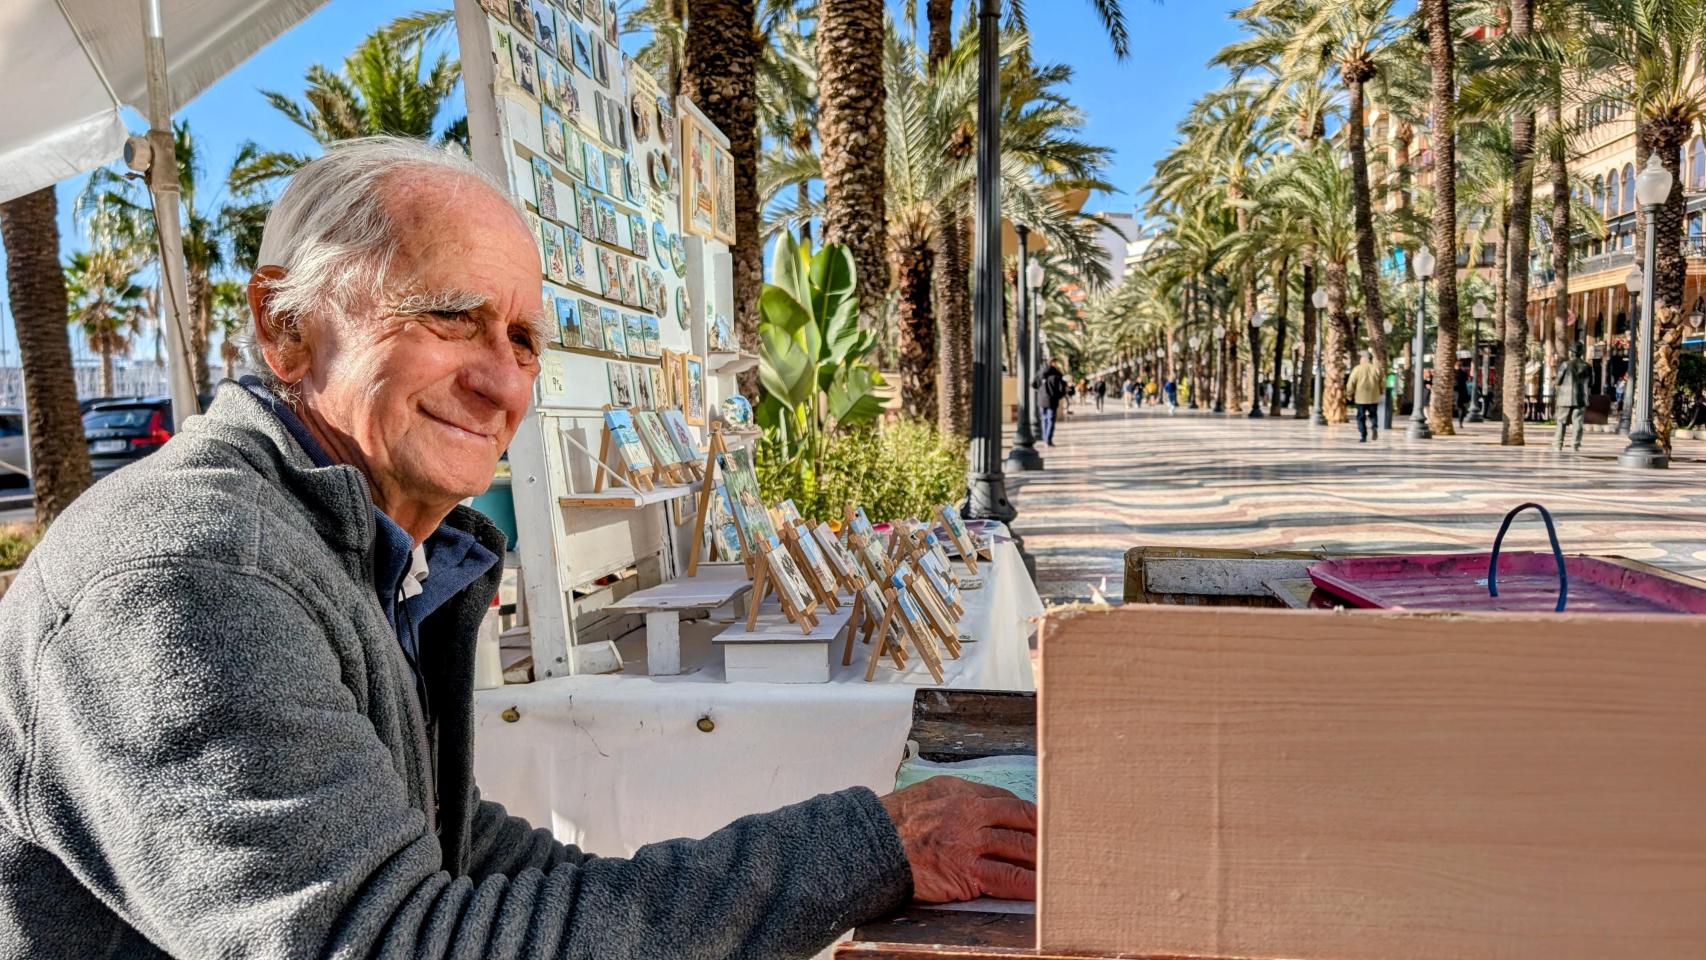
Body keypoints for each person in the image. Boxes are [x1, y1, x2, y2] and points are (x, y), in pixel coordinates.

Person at [0, 139, 1035, 959]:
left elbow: (465, 857)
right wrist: (863, 849)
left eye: (525, 340)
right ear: (285, 327)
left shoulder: (355, 551)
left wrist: (839, 861)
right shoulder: (189, 575)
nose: (501, 382)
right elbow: (391, 941)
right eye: (451, 317)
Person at [1553, 341, 1593, 452]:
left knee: (1561, 422)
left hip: (1565, 398)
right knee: (1578, 422)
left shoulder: (1566, 364)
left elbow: (1558, 380)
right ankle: (1575, 445)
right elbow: (1591, 383)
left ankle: (1557, 445)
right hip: (1580, 398)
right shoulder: (1587, 366)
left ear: (1571, 352)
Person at [1347, 348, 1385, 442]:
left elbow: (1351, 382)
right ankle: (1374, 426)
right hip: (1373, 397)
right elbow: (1383, 381)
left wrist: (1349, 393)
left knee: (1361, 417)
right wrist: (1381, 390)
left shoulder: (1357, 369)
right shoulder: (1376, 368)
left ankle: (1363, 436)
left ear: (1363, 359)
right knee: (1373, 415)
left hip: (1361, 398)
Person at [1035, 359, 1068, 445]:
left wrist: (1040, 392)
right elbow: (1062, 389)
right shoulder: (1057, 374)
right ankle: (1048, 440)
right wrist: (1058, 396)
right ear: (1053, 363)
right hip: (1052, 400)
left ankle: (1045, 438)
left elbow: (1033, 384)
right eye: (1056, 362)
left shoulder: (1040, 373)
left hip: (1041, 400)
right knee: (1050, 420)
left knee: (1044, 419)